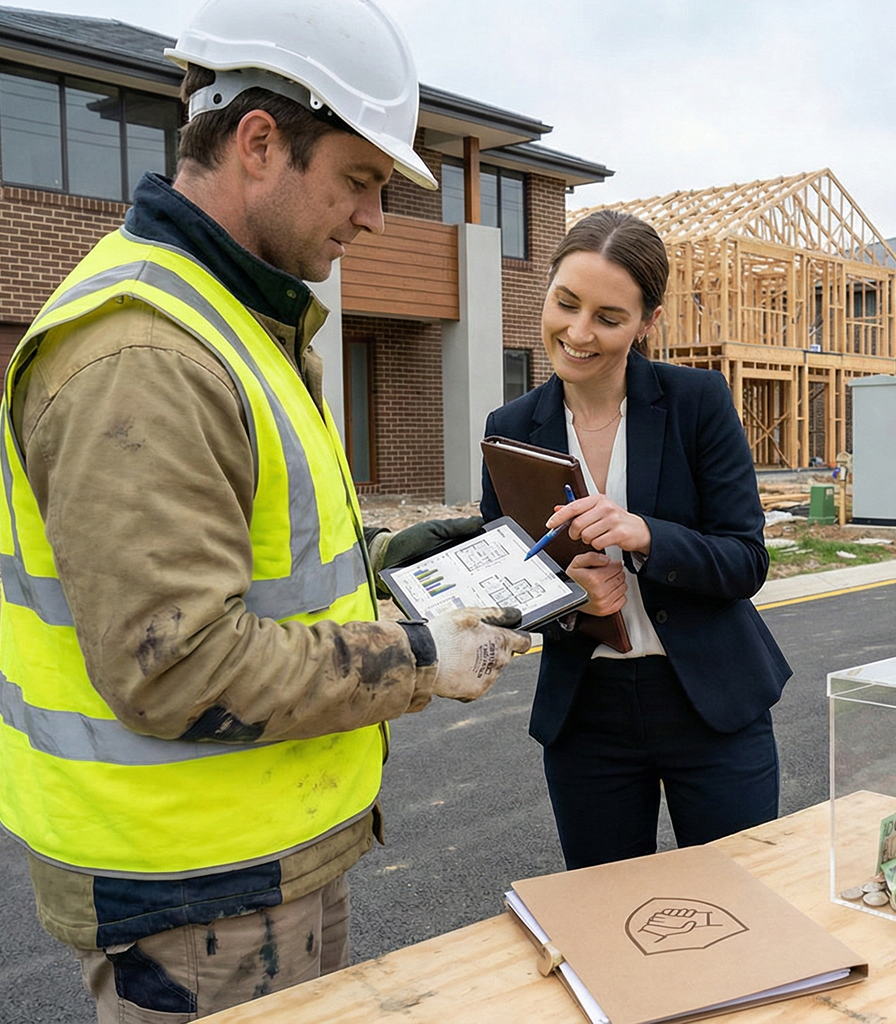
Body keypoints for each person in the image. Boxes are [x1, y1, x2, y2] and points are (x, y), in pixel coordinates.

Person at [0, 0, 530, 1018]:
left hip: (252, 866)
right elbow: (180, 665)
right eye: (361, 181)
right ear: (258, 143)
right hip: (194, 889)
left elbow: (273, 561)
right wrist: (420, 656)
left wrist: (409, 558)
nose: (375, 219)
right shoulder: (145, 354)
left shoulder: (238, 319)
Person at [481, 210, 792, 870]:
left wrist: (646, 535)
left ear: (647, 322)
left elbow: (745, 558)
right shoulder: (511, 427)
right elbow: (506, 581)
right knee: (607, 918)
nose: (578, 332)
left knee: (738, 907)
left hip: (711, 704)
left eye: (608, 317)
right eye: (565, 304)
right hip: (587, 716)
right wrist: (570, 600)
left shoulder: (697, 401)